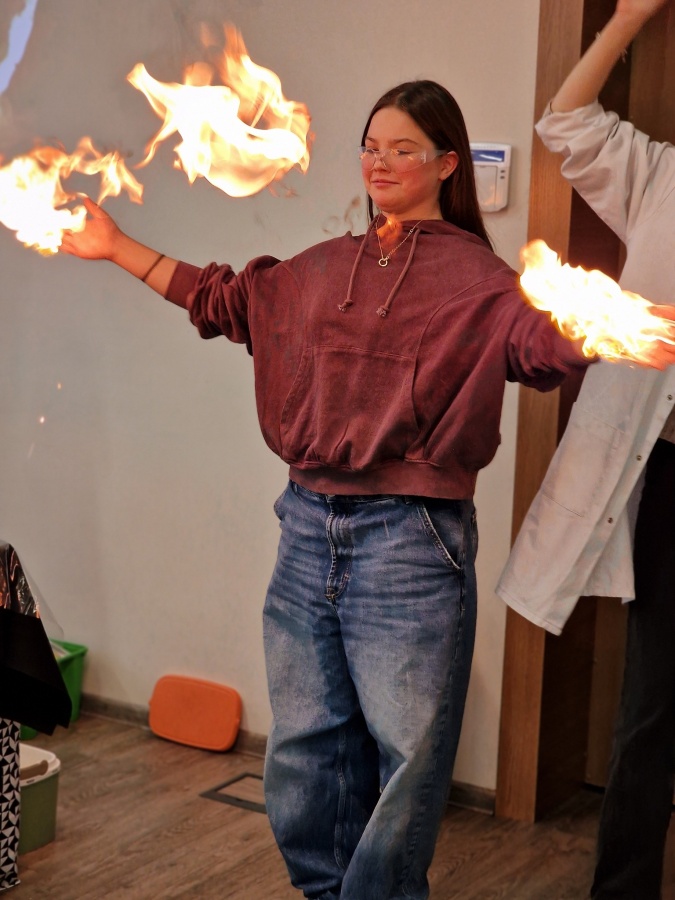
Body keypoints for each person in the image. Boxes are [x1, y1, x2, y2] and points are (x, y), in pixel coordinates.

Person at [59, 79, 666, 900]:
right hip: (306, 526)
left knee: (404, 762)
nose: (381, 162)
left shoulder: (483, 283)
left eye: (403, 148)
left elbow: (539, 344)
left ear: (446, 164)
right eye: (371, 146)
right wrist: (115, 243)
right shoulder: (321, 268)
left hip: (411, 540)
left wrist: (615, 328)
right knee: (305, 750)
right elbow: (223, 298)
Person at [496, 1, 675, 897]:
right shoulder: (660, 178)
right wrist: (627, 20)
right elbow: (564, 119)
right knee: (649, 709)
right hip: (668, 480)